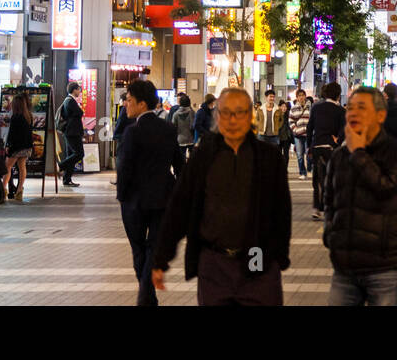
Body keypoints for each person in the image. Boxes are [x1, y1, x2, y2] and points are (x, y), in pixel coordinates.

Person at [150, 87, 291, 306]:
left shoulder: (268, 158)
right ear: (217, 115)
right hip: (214, 261)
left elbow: (282, 210)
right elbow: (180, 207)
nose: (232, 120)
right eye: (226, 112)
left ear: (250, 116)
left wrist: (279, 256)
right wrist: (161, 258)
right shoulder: (203, 157)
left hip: (257, 255)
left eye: (240, 113)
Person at [323, 85, 397, 305]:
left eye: (361, 107)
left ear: (380, 115)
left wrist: (358, 153)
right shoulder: (339, 156)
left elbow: (386, 188)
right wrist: (331, 234)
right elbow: (329, 201)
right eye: (350, 107)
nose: (352, 113)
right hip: (344, 268)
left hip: (384, 268)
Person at [116, 79, 179, 306]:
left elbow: (124, 168)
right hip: (163, 199)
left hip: (134, 201)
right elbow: (180, 165)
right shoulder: (169, 129)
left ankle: (145, 296)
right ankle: (147, 296)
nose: (126, 105)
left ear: (142, 104)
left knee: (138, 248)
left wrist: (121, 196)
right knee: (153, 247)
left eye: (129, 101)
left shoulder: (133, 132)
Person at [307, 82, 345, 220]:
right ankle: (329, 206)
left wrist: (309, 145)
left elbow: (310, 127)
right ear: (338, 95)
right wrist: (338, 141)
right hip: (331, 148)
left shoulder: (316, 108)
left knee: (317, 178)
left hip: (317, 146)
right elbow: (343, 130)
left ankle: (317, 208)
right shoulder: (341, 110)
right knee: (332, 177)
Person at [2, 93, 34, 201]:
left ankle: (3, 189)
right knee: (22, 167)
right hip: (27, 147)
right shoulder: (29, 116)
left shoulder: (15, 117)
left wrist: (8, 146)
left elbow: (12, 134)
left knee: (7, 167)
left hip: (16, 147)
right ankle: (19, 191)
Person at [58, 82, 85, 186]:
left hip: (70, 132)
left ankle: (67, 179)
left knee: (70, 154)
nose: (80, 91)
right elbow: (80, 113)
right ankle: (60, 166)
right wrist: (79, 111)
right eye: (79, 89)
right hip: (72, 132)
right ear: (74, 90)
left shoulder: (68, 101)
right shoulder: (70, 101)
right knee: (79, 153)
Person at [289, 89, 312, 177]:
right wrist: (295, 130)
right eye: (299, 96)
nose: (301, 97)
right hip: (298, 135)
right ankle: (302, 172)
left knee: (309, 154)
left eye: (303, 95)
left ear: (305, 96)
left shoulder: (310, 107)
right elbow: (290, 121)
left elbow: (313, 120)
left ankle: (309, 170)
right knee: (299, 155)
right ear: (297, 98)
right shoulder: (293, 108)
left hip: (308, 135)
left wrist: (310, 130)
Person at [172, 94, 195, 164]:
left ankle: (183, 172)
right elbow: (193, 126)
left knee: (182, 160)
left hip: (180, 139)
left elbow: (173, 126)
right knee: (192, 159)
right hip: (191, 138)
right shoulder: (192, 112)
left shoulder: (175, 114)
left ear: (180, 103)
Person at [277, 101, 294, 169]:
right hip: (278, 137)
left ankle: (285, 168)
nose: (284, 108)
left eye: (285, 107)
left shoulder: (289, 115)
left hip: (287, 137)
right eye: (282, 106)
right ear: (279, 107)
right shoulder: (277, 115)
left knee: (286, 154)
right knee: (278, 154)